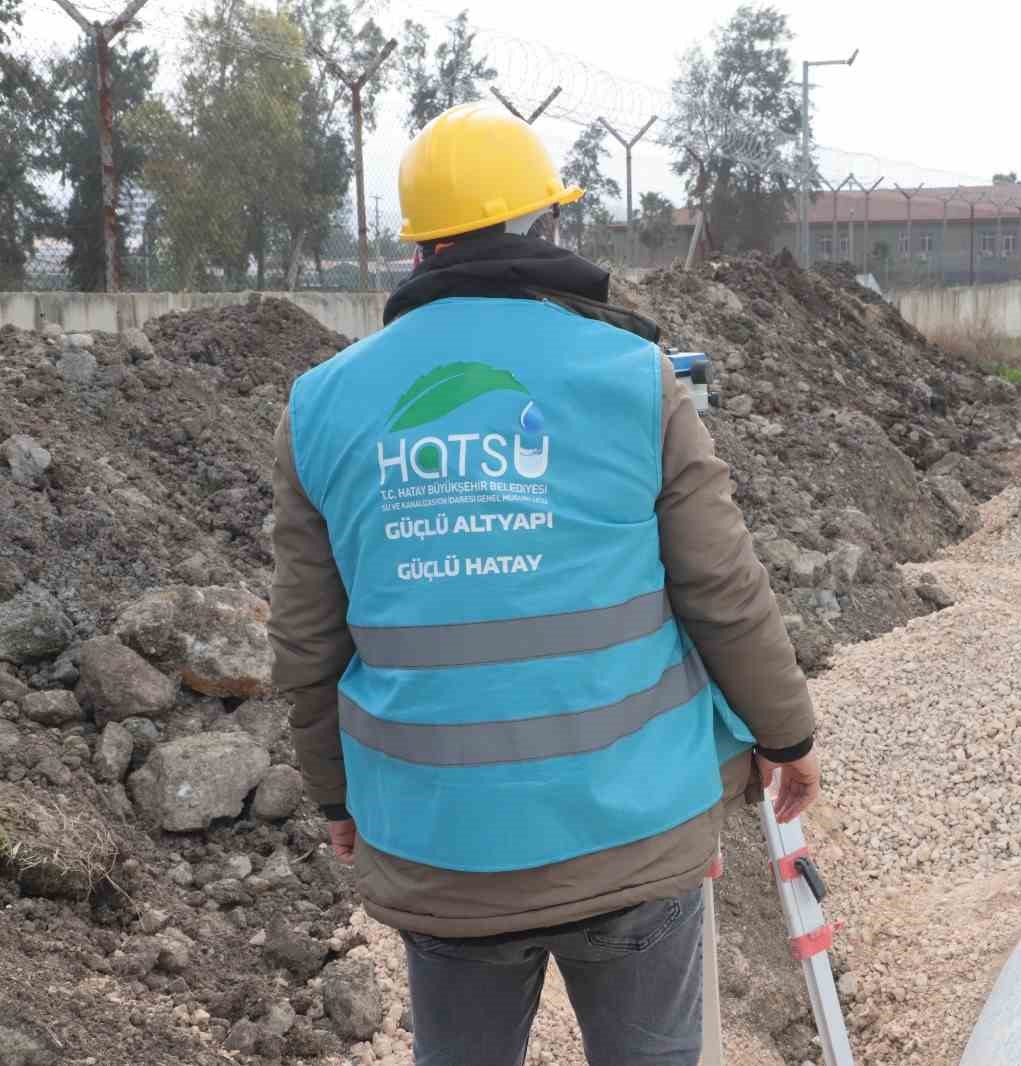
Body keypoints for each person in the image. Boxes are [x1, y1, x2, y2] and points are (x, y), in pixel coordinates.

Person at [267, 100, 821, 1066]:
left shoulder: (320, 407)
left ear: (421, 247)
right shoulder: (632, 376)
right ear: (543, 226)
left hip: (441, 845)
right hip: (630, 834)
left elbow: (308, 645)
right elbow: (722, 585)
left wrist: (335, 798)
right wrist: (787, 734)